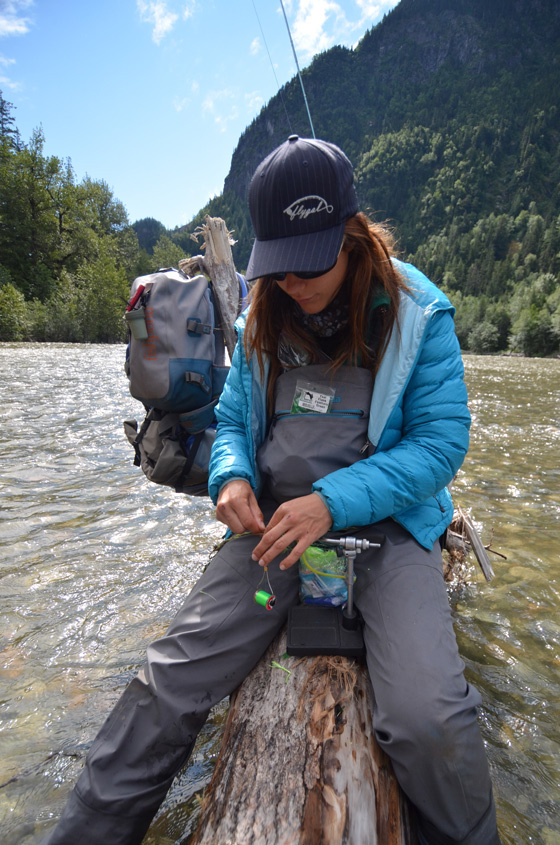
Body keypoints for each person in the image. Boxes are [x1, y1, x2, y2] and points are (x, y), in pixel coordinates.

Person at [43, 135, 500, 845]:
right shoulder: (264, 308)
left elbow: (439, 447)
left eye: (307, 263)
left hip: (390, 532)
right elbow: (231, 419)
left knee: (428, 717)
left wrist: (333, 503)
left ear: (351, 234)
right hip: (272, 533)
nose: (290, 282)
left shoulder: (419, 314)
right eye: (278, 266)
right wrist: (230, 474)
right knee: (165, 686)